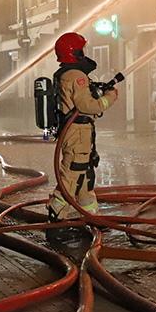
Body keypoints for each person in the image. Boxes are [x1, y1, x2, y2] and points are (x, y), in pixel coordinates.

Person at [47, 32, 117, 222]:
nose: (85, 52)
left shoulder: (65, 73)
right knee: (73, 172)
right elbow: (87, 106)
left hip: (76, 132)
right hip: (77, 132)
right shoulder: (76, 76)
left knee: (85, 173)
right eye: (82, 49)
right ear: (75, 52)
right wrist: (110, 97)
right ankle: (56, 212)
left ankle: (91, 214)